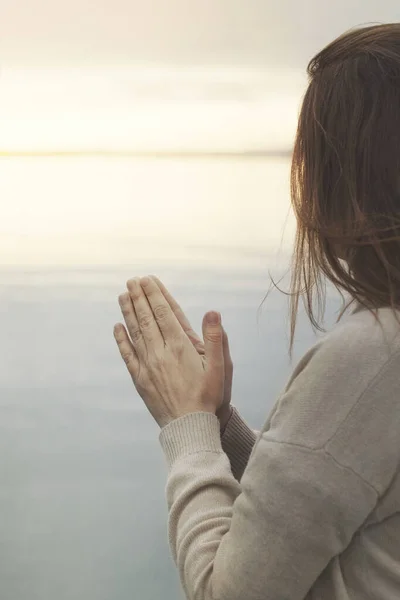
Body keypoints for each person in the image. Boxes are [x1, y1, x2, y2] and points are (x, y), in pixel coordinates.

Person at [113, 22, 400, 600]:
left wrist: (185, 428)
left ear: (345, 176)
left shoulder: (373, 355)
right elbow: (331, 488)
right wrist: (221, 427)